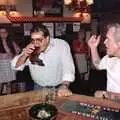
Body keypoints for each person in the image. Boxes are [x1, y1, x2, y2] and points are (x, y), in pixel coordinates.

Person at [11, 24, 75, 97]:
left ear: (47, 38)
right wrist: (24, 55)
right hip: (38, 86)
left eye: (39, 40)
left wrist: (64, 85)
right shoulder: (31, 47)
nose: (36, 43)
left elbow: (68, 67)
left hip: (58, 87)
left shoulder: (61, 45)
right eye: (33, 40)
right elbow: (15, 66)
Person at [88, 23, 120, 102]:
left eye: (108, 39)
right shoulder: (110, 58)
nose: (105, 42)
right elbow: (98, 64)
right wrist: (93, 47)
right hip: (111, 105)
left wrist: (106, 95)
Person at [0, 27, 21, 95]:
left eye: (5, 32)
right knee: (0, 83)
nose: (3, 34)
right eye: (1, 32)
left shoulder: (10, 41)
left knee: (9, 83)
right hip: (1, 64)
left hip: (9, 63)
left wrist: (13, 56)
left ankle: (8, 98)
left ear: (7, 33)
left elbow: (18, 50)